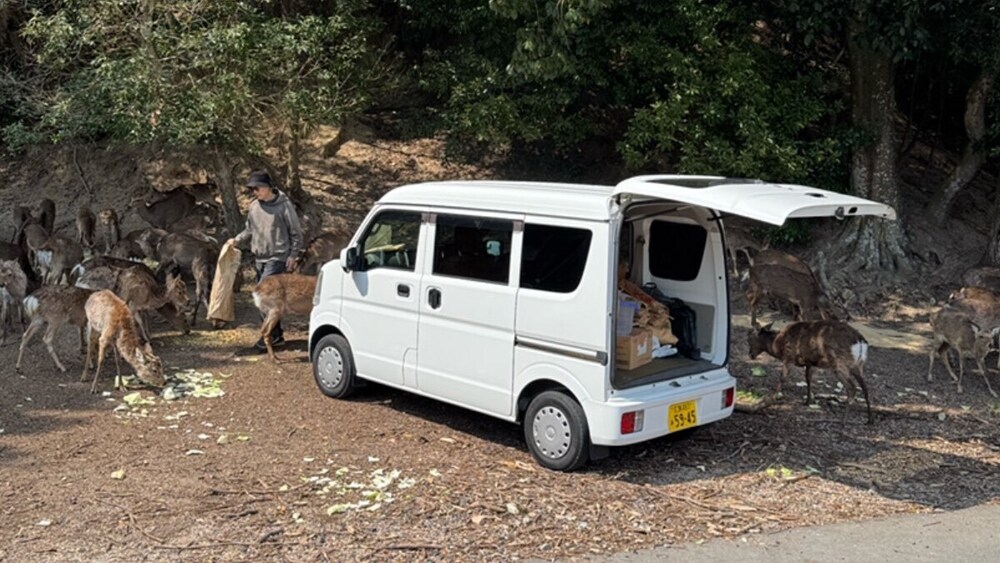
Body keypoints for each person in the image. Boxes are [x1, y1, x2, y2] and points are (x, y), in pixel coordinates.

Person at [227, 170, 304, 351]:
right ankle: (276, 335)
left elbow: (296, 233)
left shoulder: (284, 205)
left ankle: (267, 336)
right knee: (269, 299)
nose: (255, 192)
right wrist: (237, 239)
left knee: (262, 296)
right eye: (252, 188)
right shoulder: (254, 206)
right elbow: (249, 230)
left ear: (269, 187)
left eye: (258, 188)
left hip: (277, 257)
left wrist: (293, 255)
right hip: (259, 257)